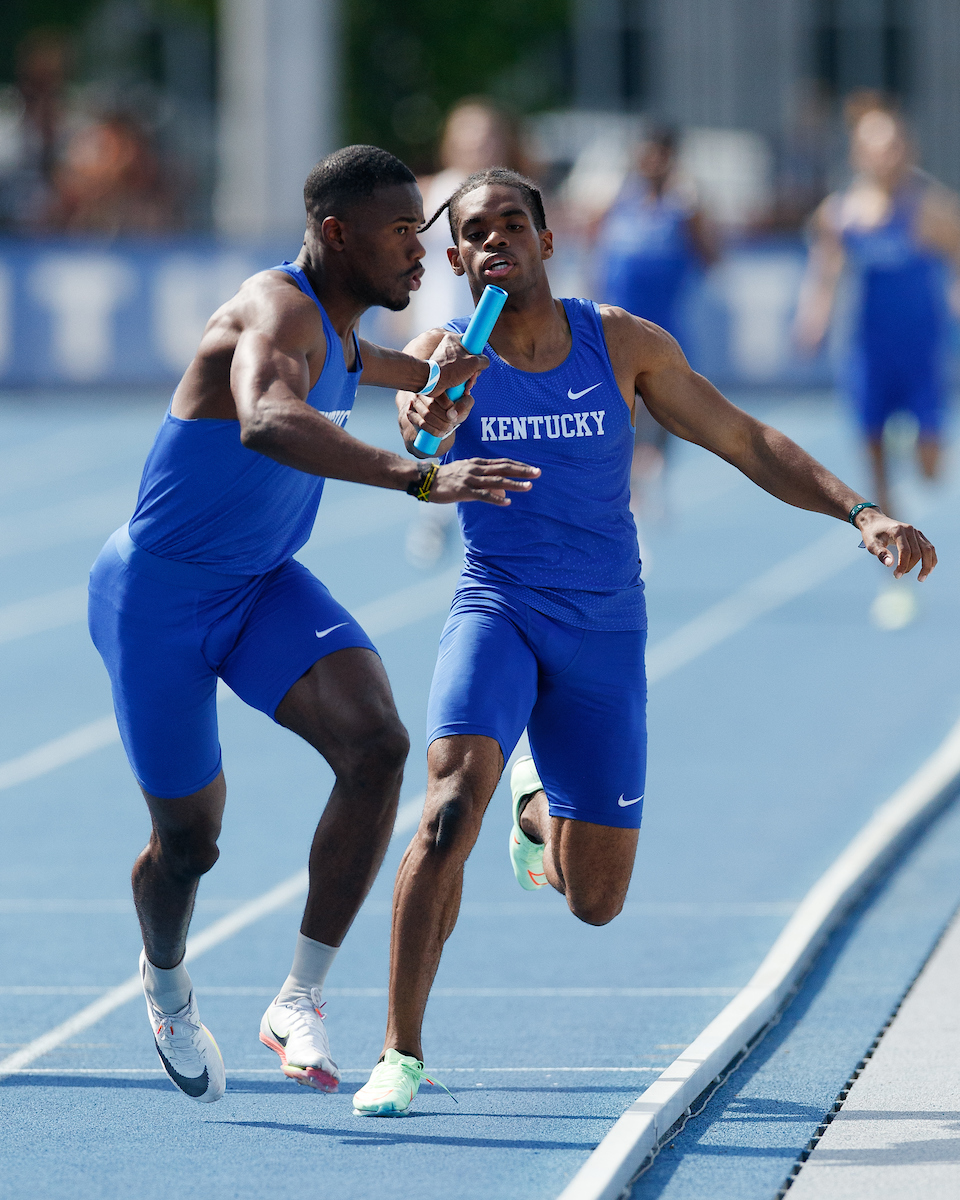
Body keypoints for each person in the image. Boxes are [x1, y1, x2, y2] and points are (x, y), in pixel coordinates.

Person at [350, 167, 937, 1116]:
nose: (495, 241)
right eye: (475, 233)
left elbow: (743, 439)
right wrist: (434, 409)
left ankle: (535, 806)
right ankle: (400, 1053)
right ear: (454, 259)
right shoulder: (443, 353)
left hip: (606, 630)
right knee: (449, 803)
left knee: (595, 899)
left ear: (547, 241)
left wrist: (860, 511)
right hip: (496, 605)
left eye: (513, 225)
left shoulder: (619, 343)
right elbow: (418, 440)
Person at [87, 145, 538, 1105]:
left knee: (376, 747)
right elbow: (268, 417)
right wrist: (419, 474)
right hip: (157, 603)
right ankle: (165, 983)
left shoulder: (334, 328)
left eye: (424, 233)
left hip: (259, 588)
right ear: (336, 234)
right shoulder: (274, 307)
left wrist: (430, 374)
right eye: (399, 234)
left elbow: (378, 367)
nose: (420, 254)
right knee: (190, 846)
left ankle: (299, 998)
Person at [795, 108, 960, 628]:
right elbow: (824, 273)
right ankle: (897, 568)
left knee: (933, 470)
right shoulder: (840, 213)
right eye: (874, 147)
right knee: (876, 472)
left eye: (893, 146)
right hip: (868, 355)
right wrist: (813, 317)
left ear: (906, 151)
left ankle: (917, 440)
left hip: (920, 354)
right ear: (858, 154)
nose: (884, 157)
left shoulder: (928, 209)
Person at [405, 98, 518, 568]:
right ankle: (432, 510)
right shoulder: (432, 195)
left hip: (493, 331)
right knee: (432, 428)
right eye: (469, 135)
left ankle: (497, 519)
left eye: (487, 136)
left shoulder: (511, 198)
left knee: (490, 427)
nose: (479, 145)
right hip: (440, 333)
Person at [593, 128, 717, 521]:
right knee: (620, 403)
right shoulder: (618, 202)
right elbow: (597, 252)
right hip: (617, 325)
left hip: (664, 324)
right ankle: (629, 479)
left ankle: (654, 469)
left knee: (666, 404)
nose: (651, 163)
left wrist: (698, 214)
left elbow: (710, 257)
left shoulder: (683, 208)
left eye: (659, 156)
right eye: (645, 155)